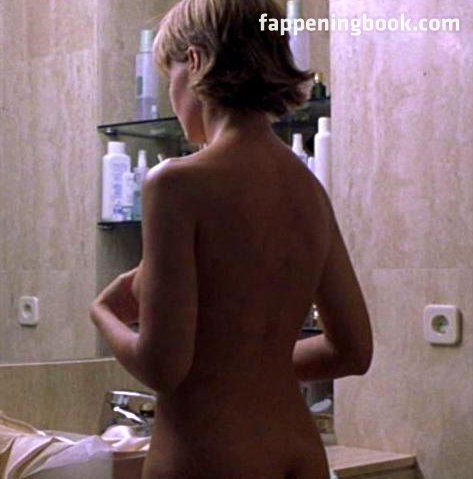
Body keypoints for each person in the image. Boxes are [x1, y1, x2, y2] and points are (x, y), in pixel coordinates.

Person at [89, 1, 373, 478]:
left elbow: (162, 366)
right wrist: (253, 364)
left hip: (211, 457)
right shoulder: (308, 191)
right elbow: (353, 350)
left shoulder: (175, 183)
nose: (171, 96)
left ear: (195, 61)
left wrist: (103, 313)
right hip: (299, 452)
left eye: (170, 75)